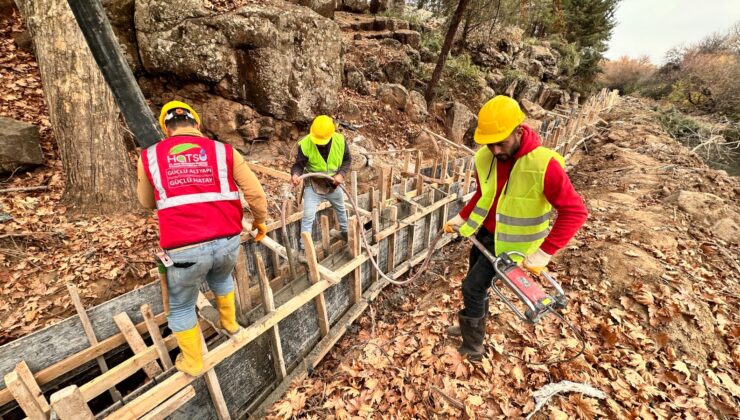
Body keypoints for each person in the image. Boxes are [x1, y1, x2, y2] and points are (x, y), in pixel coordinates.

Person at [443, 95, 588, 361]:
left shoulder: (544, 164)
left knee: (472, 287)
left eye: (502, 142)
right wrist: (463, 217)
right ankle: (471, 326)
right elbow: (484, 194)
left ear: (519, 131)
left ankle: (473, 347)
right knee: (476, 285)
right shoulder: (486, 159)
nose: (496, 150)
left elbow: (575, 211)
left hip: (513, 244)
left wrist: (545, 252)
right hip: (486, 234)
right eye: (490, 144)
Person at [137, 100, 268, 376]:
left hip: (184, 249)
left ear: (166, 128)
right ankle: (230, 324)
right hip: (227, 242)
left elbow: (146, 201)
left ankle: (194, 362)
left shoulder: (149, 156)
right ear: (197, 124)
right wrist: (259, 223)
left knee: (182, 304)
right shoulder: (224, 151)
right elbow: (255, 194)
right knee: (221, 278)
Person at [291, 115, 352, 254]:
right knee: (308, 216)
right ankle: (304, 249)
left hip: (333, 184)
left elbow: (347, 160)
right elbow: (299, 165)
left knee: (341, 210)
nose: (320, 143)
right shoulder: (305, 144)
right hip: (314, 184)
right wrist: (295, 174)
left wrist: (341, 174)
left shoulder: (340, 141)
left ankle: (346, 233)